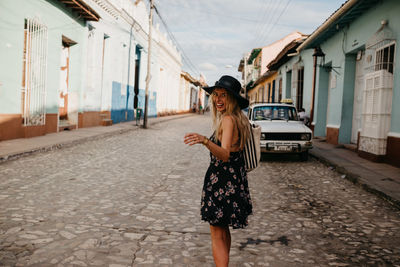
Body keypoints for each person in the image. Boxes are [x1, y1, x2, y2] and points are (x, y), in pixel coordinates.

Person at [184, 75, 253, 267]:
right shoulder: (239, 118)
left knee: (217, 234)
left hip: (223, 183)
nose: (218, 100)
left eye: (224, 95)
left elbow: (224, 154)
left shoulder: (229, 120)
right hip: (231, 181)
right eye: (216, 95)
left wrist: (205, 140)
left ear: (232, 99)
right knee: (223, 231)